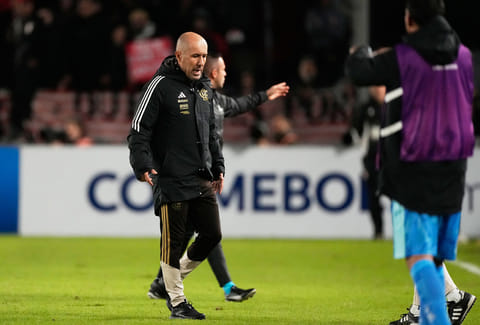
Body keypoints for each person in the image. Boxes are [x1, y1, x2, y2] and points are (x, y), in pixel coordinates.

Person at [345, 1, 476, 325]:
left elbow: (360, 72)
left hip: (415, 165)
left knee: (418, 255)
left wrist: (359, 51)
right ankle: (433, 308)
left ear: (409, 19)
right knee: (433, 253)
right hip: (456, 163)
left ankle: (437, 316)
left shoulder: (405, 58)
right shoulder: (464, 56)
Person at [147, 52, 289, 302]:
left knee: (197, 233)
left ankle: (162, 284)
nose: (226, 73)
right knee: (207, 232)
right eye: (223, 70)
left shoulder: (217, 100)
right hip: (184, 176)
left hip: (205, 176)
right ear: (213, 73)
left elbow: (241, 105)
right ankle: (224, 288)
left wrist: (266, 95)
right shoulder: (190, 97)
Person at [127, 32, 225, 320]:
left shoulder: (205, 87)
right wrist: (143, 165)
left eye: (204, 57)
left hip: (201, 176)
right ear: (179, 56)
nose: (201, 62)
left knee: (211, 235)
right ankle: (177, 302)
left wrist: (218, 164)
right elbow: (138, 130)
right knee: (174, 242)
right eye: (195, 56)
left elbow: (211, 133)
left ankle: (169, 281)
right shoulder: (159, 86)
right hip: (170, 178)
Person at [343, 85, 385, 239]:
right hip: (372, 159)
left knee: (400, 199)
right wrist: (348, 138)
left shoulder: (396, 105)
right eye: (375, 87)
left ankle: (404, 233)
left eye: (380, 87)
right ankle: (378, 231)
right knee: (374, 198)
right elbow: (356, 133)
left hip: (393, 159)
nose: (378, 90)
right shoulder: (365, 108)